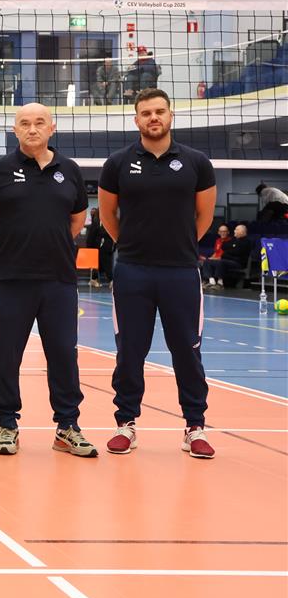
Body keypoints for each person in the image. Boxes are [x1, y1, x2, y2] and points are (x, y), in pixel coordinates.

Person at [0, 104, 97, 458]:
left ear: (52, 128)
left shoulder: (69, 170)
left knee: (64, 355)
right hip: (12, 280)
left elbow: (77, 220)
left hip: (59, 280)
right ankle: (7, 424)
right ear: (15, 130)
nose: (32, 129)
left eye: (40, 122)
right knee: (6, 356)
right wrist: (7, 245)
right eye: (24, 123)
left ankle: (67, 427)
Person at [98, 88, 216, 459]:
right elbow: (107, 215)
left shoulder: (197, 162)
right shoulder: (118, 163)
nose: (154, 118)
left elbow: (204, 216)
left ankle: (194, 426)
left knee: (188, 351)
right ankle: (126, 423)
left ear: (170, 115)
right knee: (130, 352)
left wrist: (181, 245)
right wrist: (130, 245)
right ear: (136, 119)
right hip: (133, 271)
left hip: (181, 271)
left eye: (160, 111)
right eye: (146, 113)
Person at [200, 224, 233, 288]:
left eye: (224, 231)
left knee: (209, 262)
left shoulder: (231, 241)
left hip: (223, 259)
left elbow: (227, 254)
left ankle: (214, 282)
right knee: (202, 262)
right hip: (215, 259)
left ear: (228, 232)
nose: (223, 233)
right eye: (221, 231)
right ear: (218, 232)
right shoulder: (218, 240)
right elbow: (216, 252)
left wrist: (211, 259)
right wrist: (209, 258)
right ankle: (207, 281)